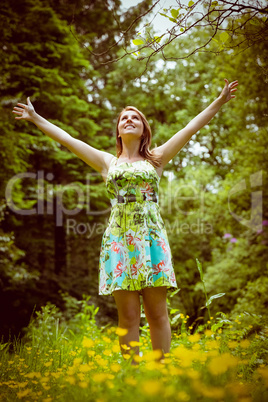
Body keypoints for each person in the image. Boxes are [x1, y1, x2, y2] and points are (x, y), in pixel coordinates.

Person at [13, 78, 238, 363]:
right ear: (119, 131)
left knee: (158, 313)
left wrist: (219, 101)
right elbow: (68, 139)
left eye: (136, 118)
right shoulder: (108, 163)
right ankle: (132, 377)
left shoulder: (156, 158)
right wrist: (35, 118)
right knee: (128, 315)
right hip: (119, 240)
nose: (129, 120)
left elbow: (190, 128)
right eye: (124, 118)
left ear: (144, 130)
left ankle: (160, 372)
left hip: (151, 238)